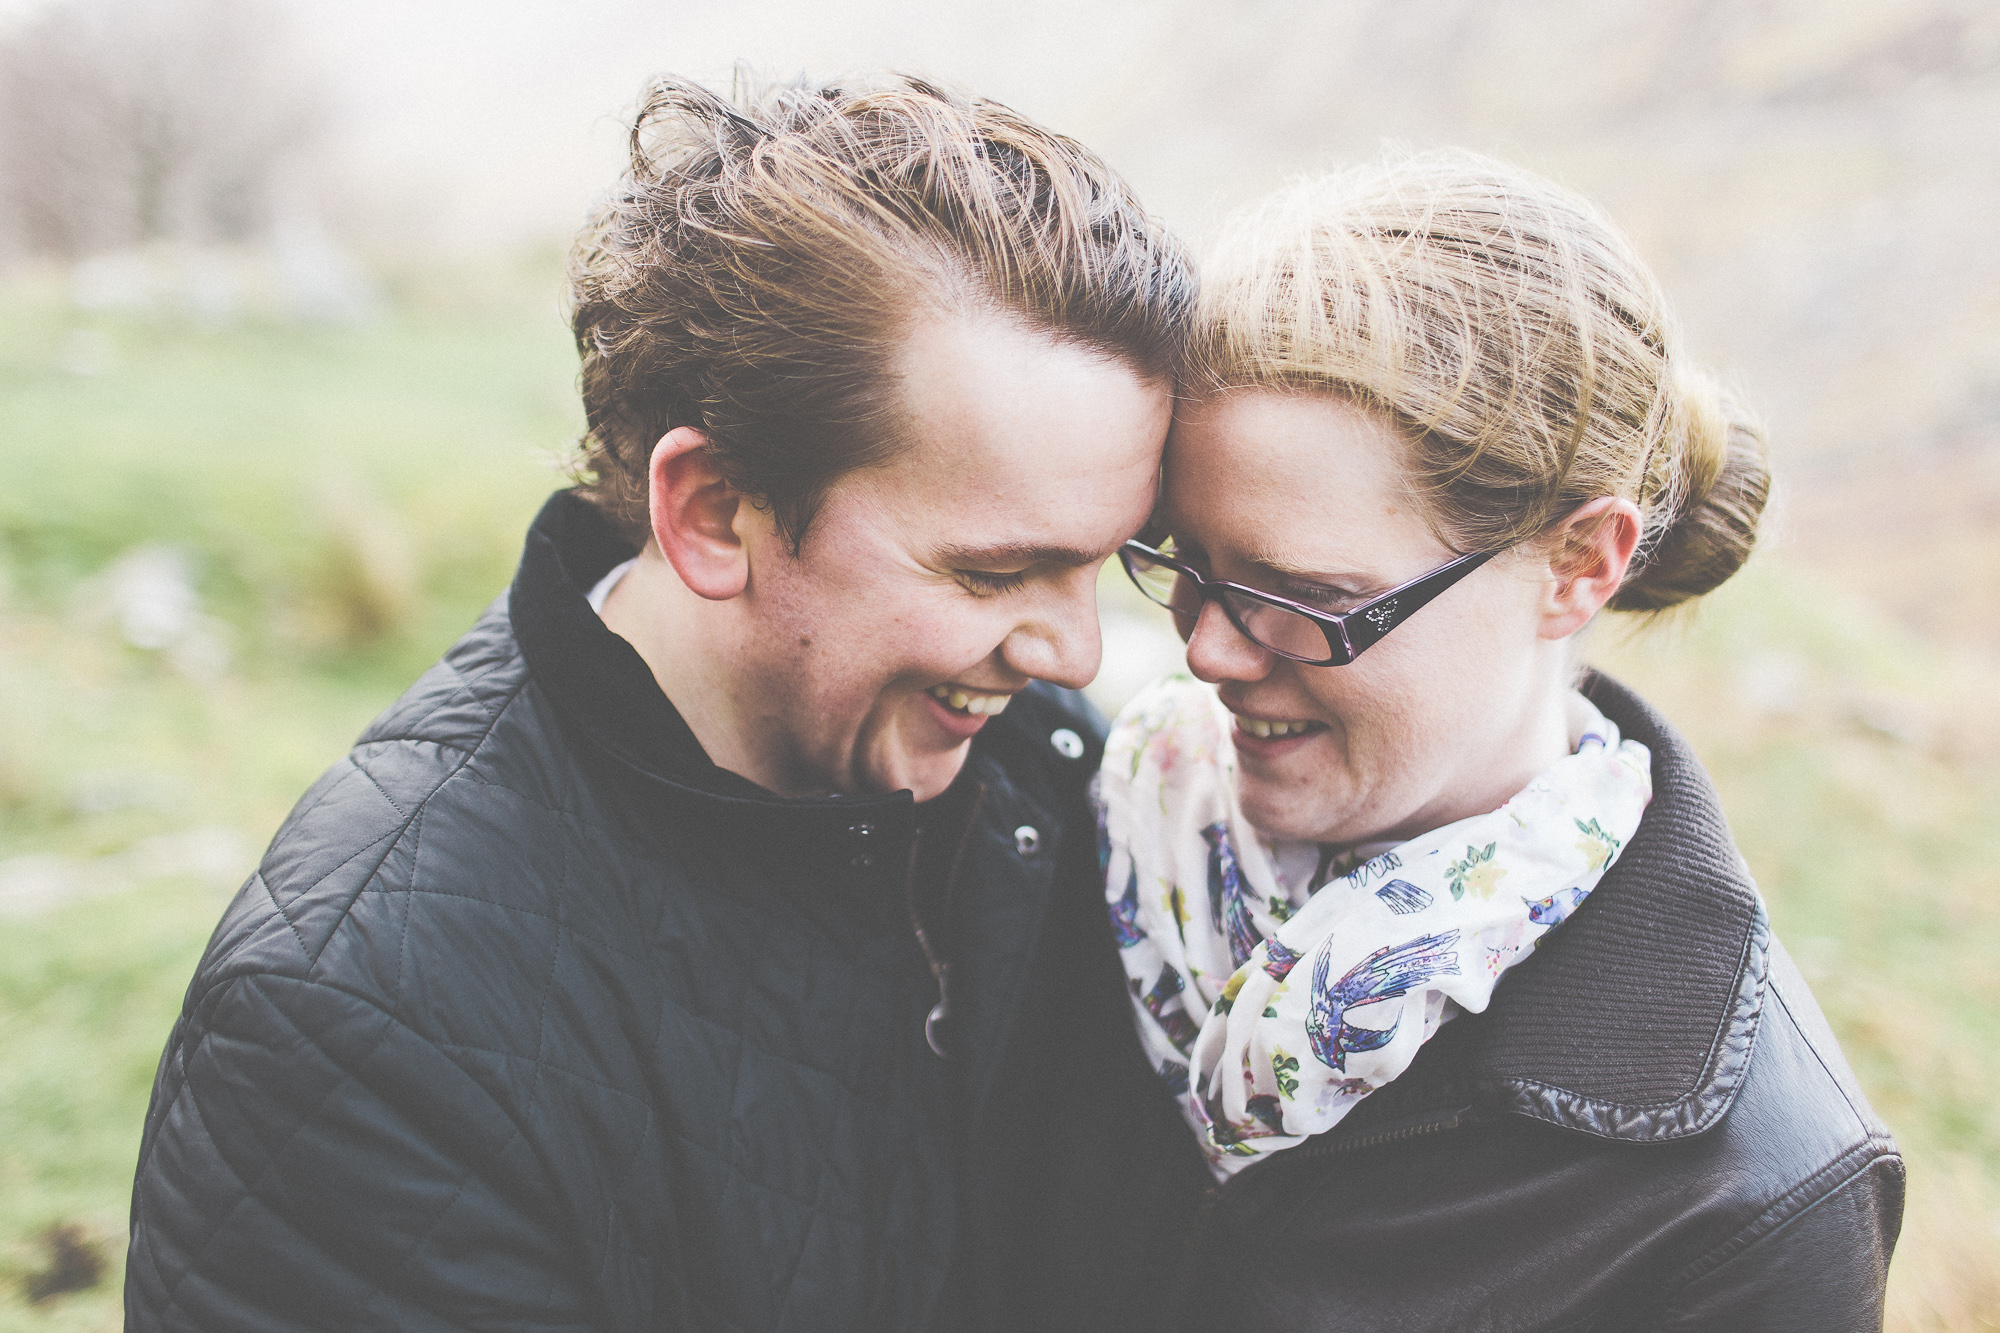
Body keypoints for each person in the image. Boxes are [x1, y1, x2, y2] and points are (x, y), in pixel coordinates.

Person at [124, 73, 1197, 1332]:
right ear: (711, 511)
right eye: (993, 571)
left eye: (1106, 560)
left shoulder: (1040, 771)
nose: (1074, 654)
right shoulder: (361, 1028)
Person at [1096, 153, 1903, 1329]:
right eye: (1185, 563)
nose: (1209, 652)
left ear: (1577, 565)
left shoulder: (1746, 1209)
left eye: (1305, 596)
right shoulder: (1077, 824)